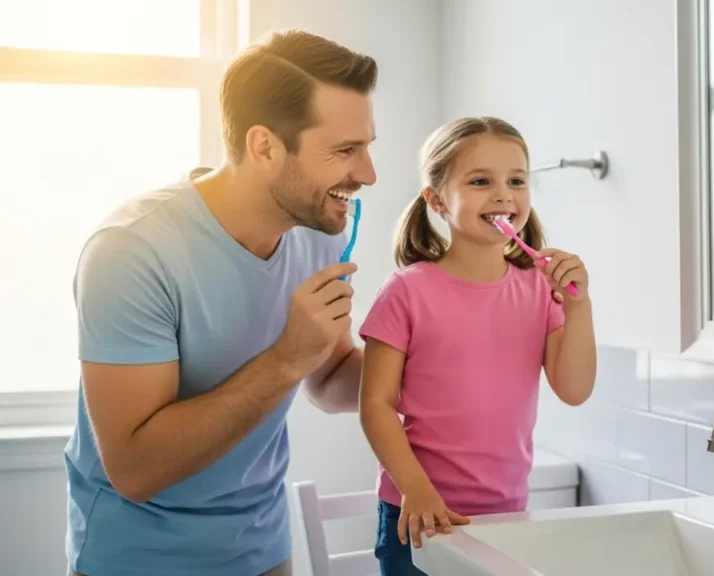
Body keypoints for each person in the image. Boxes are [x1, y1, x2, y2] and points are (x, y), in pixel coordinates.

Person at [65, 31, 378, 576]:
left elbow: (328, 381)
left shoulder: (321, 229)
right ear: (264, 147)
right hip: (136, 561)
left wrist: (431, 362)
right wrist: (286, 357)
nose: (368, 174)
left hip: (263, 549)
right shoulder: (132, 252)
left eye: (367, 145)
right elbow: (136, 469)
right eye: (345, 151)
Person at [358, 116, 598, 575]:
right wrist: (416, 489)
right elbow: (375, 405)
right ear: (436, 200)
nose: (504, 194)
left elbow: (574, 388)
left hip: (508, 518)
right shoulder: (406, 291)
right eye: (481, 181)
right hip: (419, 515)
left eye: (516, 181)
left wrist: (579, 305)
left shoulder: (536, 290)